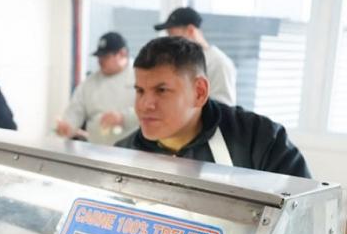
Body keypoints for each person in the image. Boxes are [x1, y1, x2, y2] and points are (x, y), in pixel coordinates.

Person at [116, 36, 310, 178]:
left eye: (162, 90)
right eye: (140, 91)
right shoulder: (122, 154)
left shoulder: (261, 142)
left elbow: (304, 219)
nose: (144, 105)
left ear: (199, 92)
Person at [56, 32, 138, 145]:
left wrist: (123, 117)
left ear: (122, 54)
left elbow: (151, 110)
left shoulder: (140, 77)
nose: (100, 61)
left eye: (106, 56)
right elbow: (75, 111)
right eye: (99, 56)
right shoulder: (89, 82)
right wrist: (67, 126)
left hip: (131, 150)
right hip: (95, 149)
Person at [154, 7, 237, 105]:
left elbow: (224, 109)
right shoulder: (182, 60)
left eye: (173, 36)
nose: (171, 41)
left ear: (190, 30)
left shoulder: (219, 63)